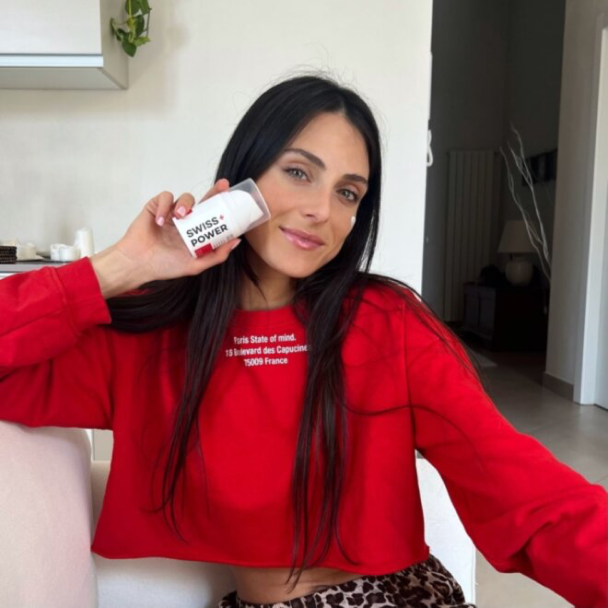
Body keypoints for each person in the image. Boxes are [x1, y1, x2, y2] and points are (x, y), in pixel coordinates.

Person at [1, 73, 606, 608]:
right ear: (243, 179)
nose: (322, 210)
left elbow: (518, 489)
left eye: (348, 192)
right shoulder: (150, 337)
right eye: (298, 172)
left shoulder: (387, 322)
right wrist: (121, 267)